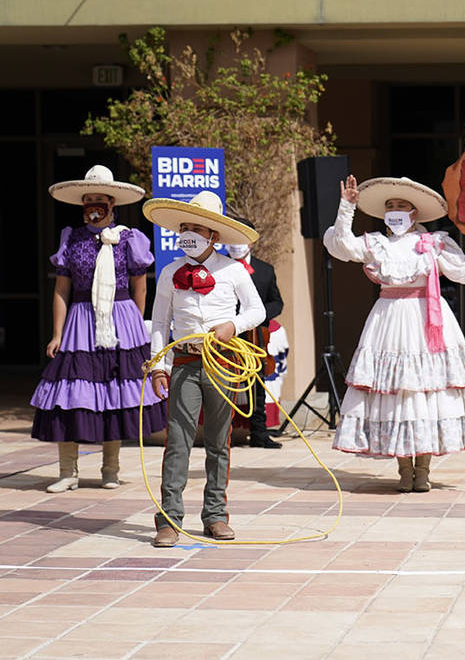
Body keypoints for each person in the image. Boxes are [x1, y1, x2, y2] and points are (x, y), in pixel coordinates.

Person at [324, 175, 465, 492]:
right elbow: (341, 246)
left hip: (427, 320)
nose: (395, 210)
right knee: (398, 394)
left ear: (414, 212)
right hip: (389, 322)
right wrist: (347, 206)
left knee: (427, 393)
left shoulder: (434, 243)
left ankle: (423, 469)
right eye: (390, 206)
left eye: (402, 205)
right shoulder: (377, 244)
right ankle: (403, 469)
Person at [30, 166, 167, 492]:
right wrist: (57, 332)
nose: (93, 203)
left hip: (120, 321)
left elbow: (140, 287)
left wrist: (135, 324)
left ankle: (111, 468)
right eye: (88, 199)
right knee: (71, 394)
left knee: (114, 393)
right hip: (80, 320)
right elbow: (62, 289)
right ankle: (68, 471)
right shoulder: (72, 239)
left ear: (112, 203)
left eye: (99, 199)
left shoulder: (129, 240)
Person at [144, 191, 265, 547]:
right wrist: (158, 366)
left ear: (213, 235)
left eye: (197, 228)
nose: (189, 234)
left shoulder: (232, 270)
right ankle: (168, 518)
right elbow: (159, 322)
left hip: (222, 361)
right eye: (185, 227)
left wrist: (232, 325)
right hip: (183, 360)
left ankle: (215, 515)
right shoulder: (169, 272)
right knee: (178, 440)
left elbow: (257, 310)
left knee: (218, 441)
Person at [225, 224, 285, 449]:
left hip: (256, 336)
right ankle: (223, 434)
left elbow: (276, 302)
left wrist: (256, 316)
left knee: (257, 385)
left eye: (242, 239)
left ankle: (259, 434)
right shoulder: (219, 267)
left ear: (252, 241)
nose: (237, 244)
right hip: (226, 334)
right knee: (224, 384)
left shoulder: (265, 270)